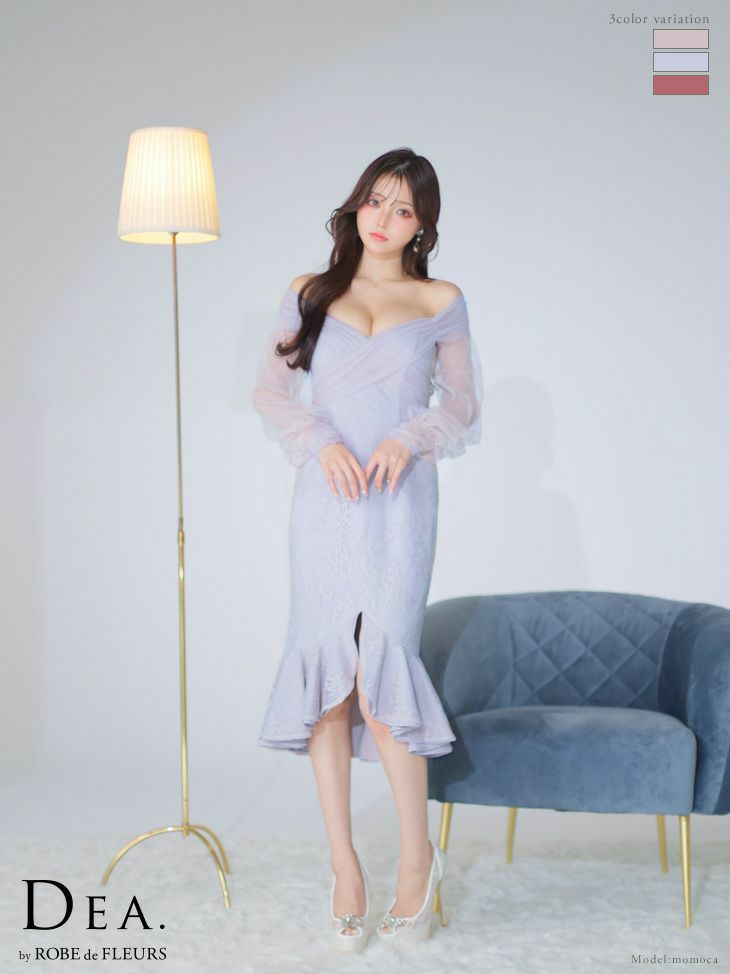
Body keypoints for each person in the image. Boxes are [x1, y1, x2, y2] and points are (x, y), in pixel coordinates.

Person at [251, 147, 483, 952]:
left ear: (423, 226)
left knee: (384, 682)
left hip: (399, 501)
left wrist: (407, 438)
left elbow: (461, 404)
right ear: (355, 205)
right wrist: (321, 440)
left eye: (404, 209)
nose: (384, 219)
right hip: (326, 501)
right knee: (327, 683)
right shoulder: (310, 292)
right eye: (375, 200)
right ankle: (345, 868)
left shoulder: (440, 300)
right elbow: (270, 392)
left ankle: (417, 864)